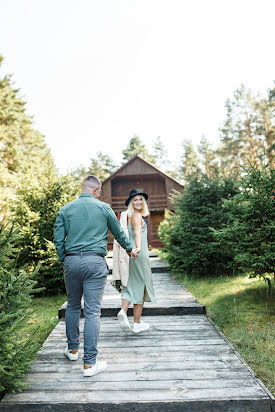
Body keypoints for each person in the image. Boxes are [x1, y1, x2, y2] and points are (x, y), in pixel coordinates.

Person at [54, 176, 138, 377]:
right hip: (95, 261)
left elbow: (58, 238)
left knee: (73, 305)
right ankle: (90, 363)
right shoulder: (103, 208)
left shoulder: (65, 210)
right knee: (92, 312)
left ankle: (72, 350)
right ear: (96, 190)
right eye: (99, 191)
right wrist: (129, 249)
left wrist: (64, 259)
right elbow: (118, 232)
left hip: (72, 261)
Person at [113, 189, 156, 334]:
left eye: (140, 200)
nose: (138, 202)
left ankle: (123, 311)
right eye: (135, 200)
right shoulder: (137, 216)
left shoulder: (127, 216)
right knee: (141, 286)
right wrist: (138, 248)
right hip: (138, 255)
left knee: (131, 284)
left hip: (129, 255)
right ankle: (136, 323)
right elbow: (137, 232)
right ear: (131, 203)